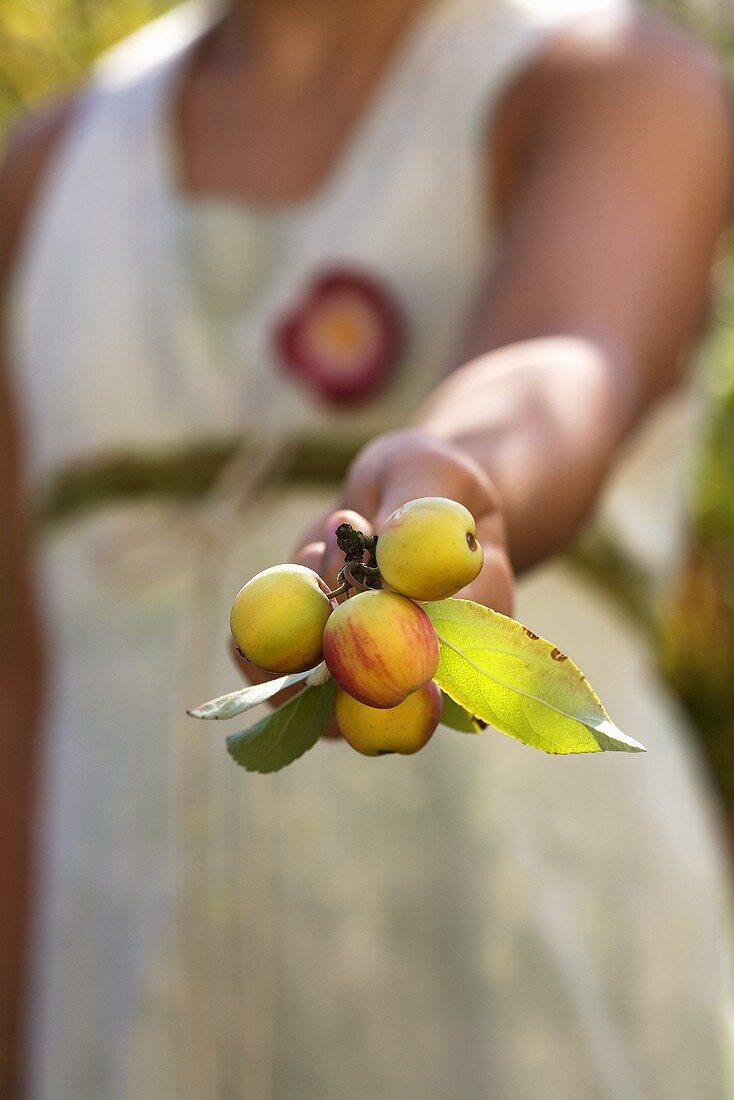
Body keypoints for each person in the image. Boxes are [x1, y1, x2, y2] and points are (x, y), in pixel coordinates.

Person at [2, 0, 733, 1096]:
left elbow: (564, 355)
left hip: (532, 1020)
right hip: (123, 1035)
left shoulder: (606, 79)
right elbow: (21, 692)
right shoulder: (45, 177)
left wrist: (461, 474)